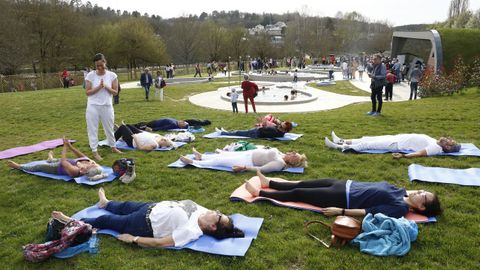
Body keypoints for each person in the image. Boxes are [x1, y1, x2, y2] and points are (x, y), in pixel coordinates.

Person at [51, 188, 244, 248]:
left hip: (142, 224)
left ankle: (70, 221)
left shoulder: (191, 231)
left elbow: (161, 243)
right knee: (122, 205)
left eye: (219, 215)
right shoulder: (204, 213)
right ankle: (106, 202)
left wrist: (133, 239)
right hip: (151, 207)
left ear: (212, 226)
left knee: (104, 221)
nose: (216, 211)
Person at [244, 170, 442, 219]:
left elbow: (369, 211)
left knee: (299, 192)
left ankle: (259, 192)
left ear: (421, 207)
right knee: (303, 182)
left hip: (340, 198)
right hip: (344, 184)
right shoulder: (402, 192)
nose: (421, 191)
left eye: (424, 196)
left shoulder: (399, 208)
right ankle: (268, 182)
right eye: (424, 190)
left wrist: (341, 211)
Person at [7, 137, 104, 179]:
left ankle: (19, 166)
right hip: (67, 162)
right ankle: (51, 159)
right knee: (55, 160)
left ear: (86, 170)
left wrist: (65, 147)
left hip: (57, 168)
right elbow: (81, 156)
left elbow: (63, 161)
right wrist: (70, 147)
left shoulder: (75, 171)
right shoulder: (89, 166)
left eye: (92, 165)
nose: (92, 163)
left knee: (38, 166)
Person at [85, 53, 122, 161]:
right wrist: (98, 87)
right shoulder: (90, 75)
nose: (100, 68)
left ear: (105, 63)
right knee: (92, 129)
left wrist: (105, 87)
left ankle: (113, 147)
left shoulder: (112, 75)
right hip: (93, 106)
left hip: (107, 105)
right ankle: (94, 151)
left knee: (109, 128)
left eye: (101, 65)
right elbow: (87, 92)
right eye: (97, 66)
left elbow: (115, 92)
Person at [324, 131, 461, 158]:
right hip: (396, 138)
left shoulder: (436, 148)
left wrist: (404, 156)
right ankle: (340, 140)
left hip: (395, 144)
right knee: (368, 137)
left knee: (367, 144)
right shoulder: (435, 141)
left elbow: (420, 153)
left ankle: (339, 148)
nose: (448, 138)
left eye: (450, 141)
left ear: (447, 147)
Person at [179, 147, 307, 173]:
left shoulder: (280, 164)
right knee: (222, 156)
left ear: (292, 162)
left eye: (295, 155)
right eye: (296, 153)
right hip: (248, 154)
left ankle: (195, 163)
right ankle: (201, 156)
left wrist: (244, 168)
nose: (294, 153)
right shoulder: (282, 154)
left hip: (248, 162)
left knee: (219, 161)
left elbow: (262, 169)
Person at [216, 121, 293, 139]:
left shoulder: (277, 132)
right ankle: (225, 132)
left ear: (285, 127)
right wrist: (261, 125)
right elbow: (273, 127)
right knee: (239, 132)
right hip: (257, 131)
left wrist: (261, 127)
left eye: (284, 123)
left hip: (256, 133)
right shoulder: (279, 129)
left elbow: (266, 134)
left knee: (239, 132)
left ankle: (222, 133)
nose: (282, 122)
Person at [132, 118, 211, 132]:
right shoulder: (176, 122)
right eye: (183, 122)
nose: (182, 121)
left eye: (183, 123)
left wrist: (153, 130)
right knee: (140, 124)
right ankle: (129, 127)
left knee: (141, 126)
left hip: (154, 124)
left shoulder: (173, 124)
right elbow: (190, 121)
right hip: (155, 121)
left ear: (181, 127)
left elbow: (163, 128)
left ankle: (129, 127)